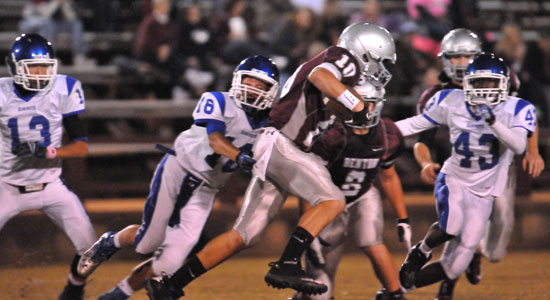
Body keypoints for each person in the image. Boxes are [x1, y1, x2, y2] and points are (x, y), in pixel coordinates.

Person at [143, 22, 397, 300]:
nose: (381, 69)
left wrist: (352, 111)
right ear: (365, 52)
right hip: (282, 144)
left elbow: (324, 101)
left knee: (244, 235)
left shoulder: (341, 75)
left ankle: (169, 285)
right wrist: (357, 104)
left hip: (278, 148)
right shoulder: (343, 58)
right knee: (333, 200)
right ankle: (288, 262)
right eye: (380, 61)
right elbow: (320, 76)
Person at [76, 55, 280, 300]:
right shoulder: (217, 100)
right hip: (179, 169)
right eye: (249, 81)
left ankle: (116, 295)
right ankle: (110, 242)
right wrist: (240, 157)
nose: (252, 89)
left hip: (207, 189)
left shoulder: (270, 125)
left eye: (260, 85)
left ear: (271, 91)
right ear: (238, 79)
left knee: (169, 265)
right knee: (146, 244)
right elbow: (215, 139)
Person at [413, 29, 545, 300]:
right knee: (458, 225)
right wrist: (426, 163)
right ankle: (449, 280)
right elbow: (421, 140)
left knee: (501, 222)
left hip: (496, 164)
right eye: (455, 56)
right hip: (459, 168)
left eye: (467, 56)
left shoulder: (501, 78)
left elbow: (525, 115)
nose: (462, 63)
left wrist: (532, 151)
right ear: (444, 59)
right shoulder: (436, 95)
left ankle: (474, 252)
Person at [290, 81, 410, 300]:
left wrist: (403, 218)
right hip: (326, 203)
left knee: (372, 241)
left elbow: (389, 175)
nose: (362, 109)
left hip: (363, 195)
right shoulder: (331, 134)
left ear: (379, 105)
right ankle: (304, 295)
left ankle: (395, 295)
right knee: (320, 289)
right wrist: (310, 233)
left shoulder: (386, 133)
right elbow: (307, 184)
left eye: (368, 103)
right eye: (355, 103)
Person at [0, 33, 96, 300]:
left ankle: (73, 289)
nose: (40, 74)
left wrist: (45, 152)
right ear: (15, 67)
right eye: (33, 68)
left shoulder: (63, 89)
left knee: (91, 249)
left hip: (52, 185)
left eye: (45, 67)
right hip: (7, 185)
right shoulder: (2, 93)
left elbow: (81, 147)